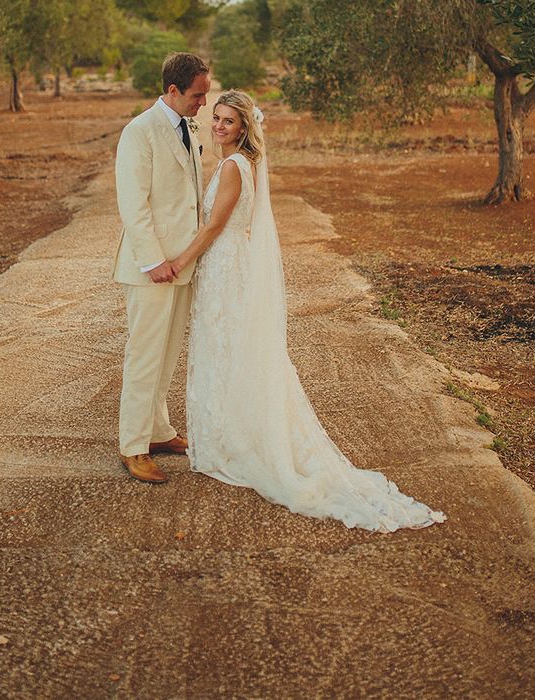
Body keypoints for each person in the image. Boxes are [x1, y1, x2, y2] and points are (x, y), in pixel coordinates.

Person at [170, 90, 446, 532]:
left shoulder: (233, 167)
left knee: (226, 349)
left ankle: (235, 444)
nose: (219, 126)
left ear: (243, 128)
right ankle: (227, 437)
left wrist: (182, 260)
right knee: (228, 350)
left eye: (228, 121)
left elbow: (216, 225)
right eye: (216, 118)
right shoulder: (240, 163)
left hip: (225, 267)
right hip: (228, 264)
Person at [113, 53, 210, 484]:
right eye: (197, 95)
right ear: (173, 91)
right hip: (152, 267)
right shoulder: (139, 132)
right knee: (144, 355)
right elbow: (133, 205)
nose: (203, 104)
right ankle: (133, 446)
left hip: (183, 262)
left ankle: (158, 430)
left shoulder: (188, 126)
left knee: (168, 353)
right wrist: (153, 261)